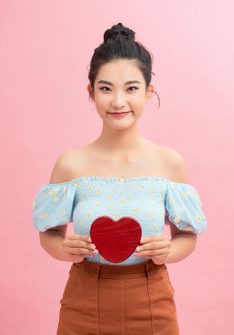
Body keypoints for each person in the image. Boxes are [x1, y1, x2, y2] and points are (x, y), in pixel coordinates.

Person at [32, 22, 208, 335]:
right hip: (83, 299)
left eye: (131, 88)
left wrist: (168, 250)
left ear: (148, 91)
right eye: (105, 88)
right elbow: (49, 236)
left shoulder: (169, 163)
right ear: (91, 92)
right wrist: (65, 248)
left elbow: (187, 237)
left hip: (151, 299)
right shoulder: (71, 164)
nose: (118, 102)